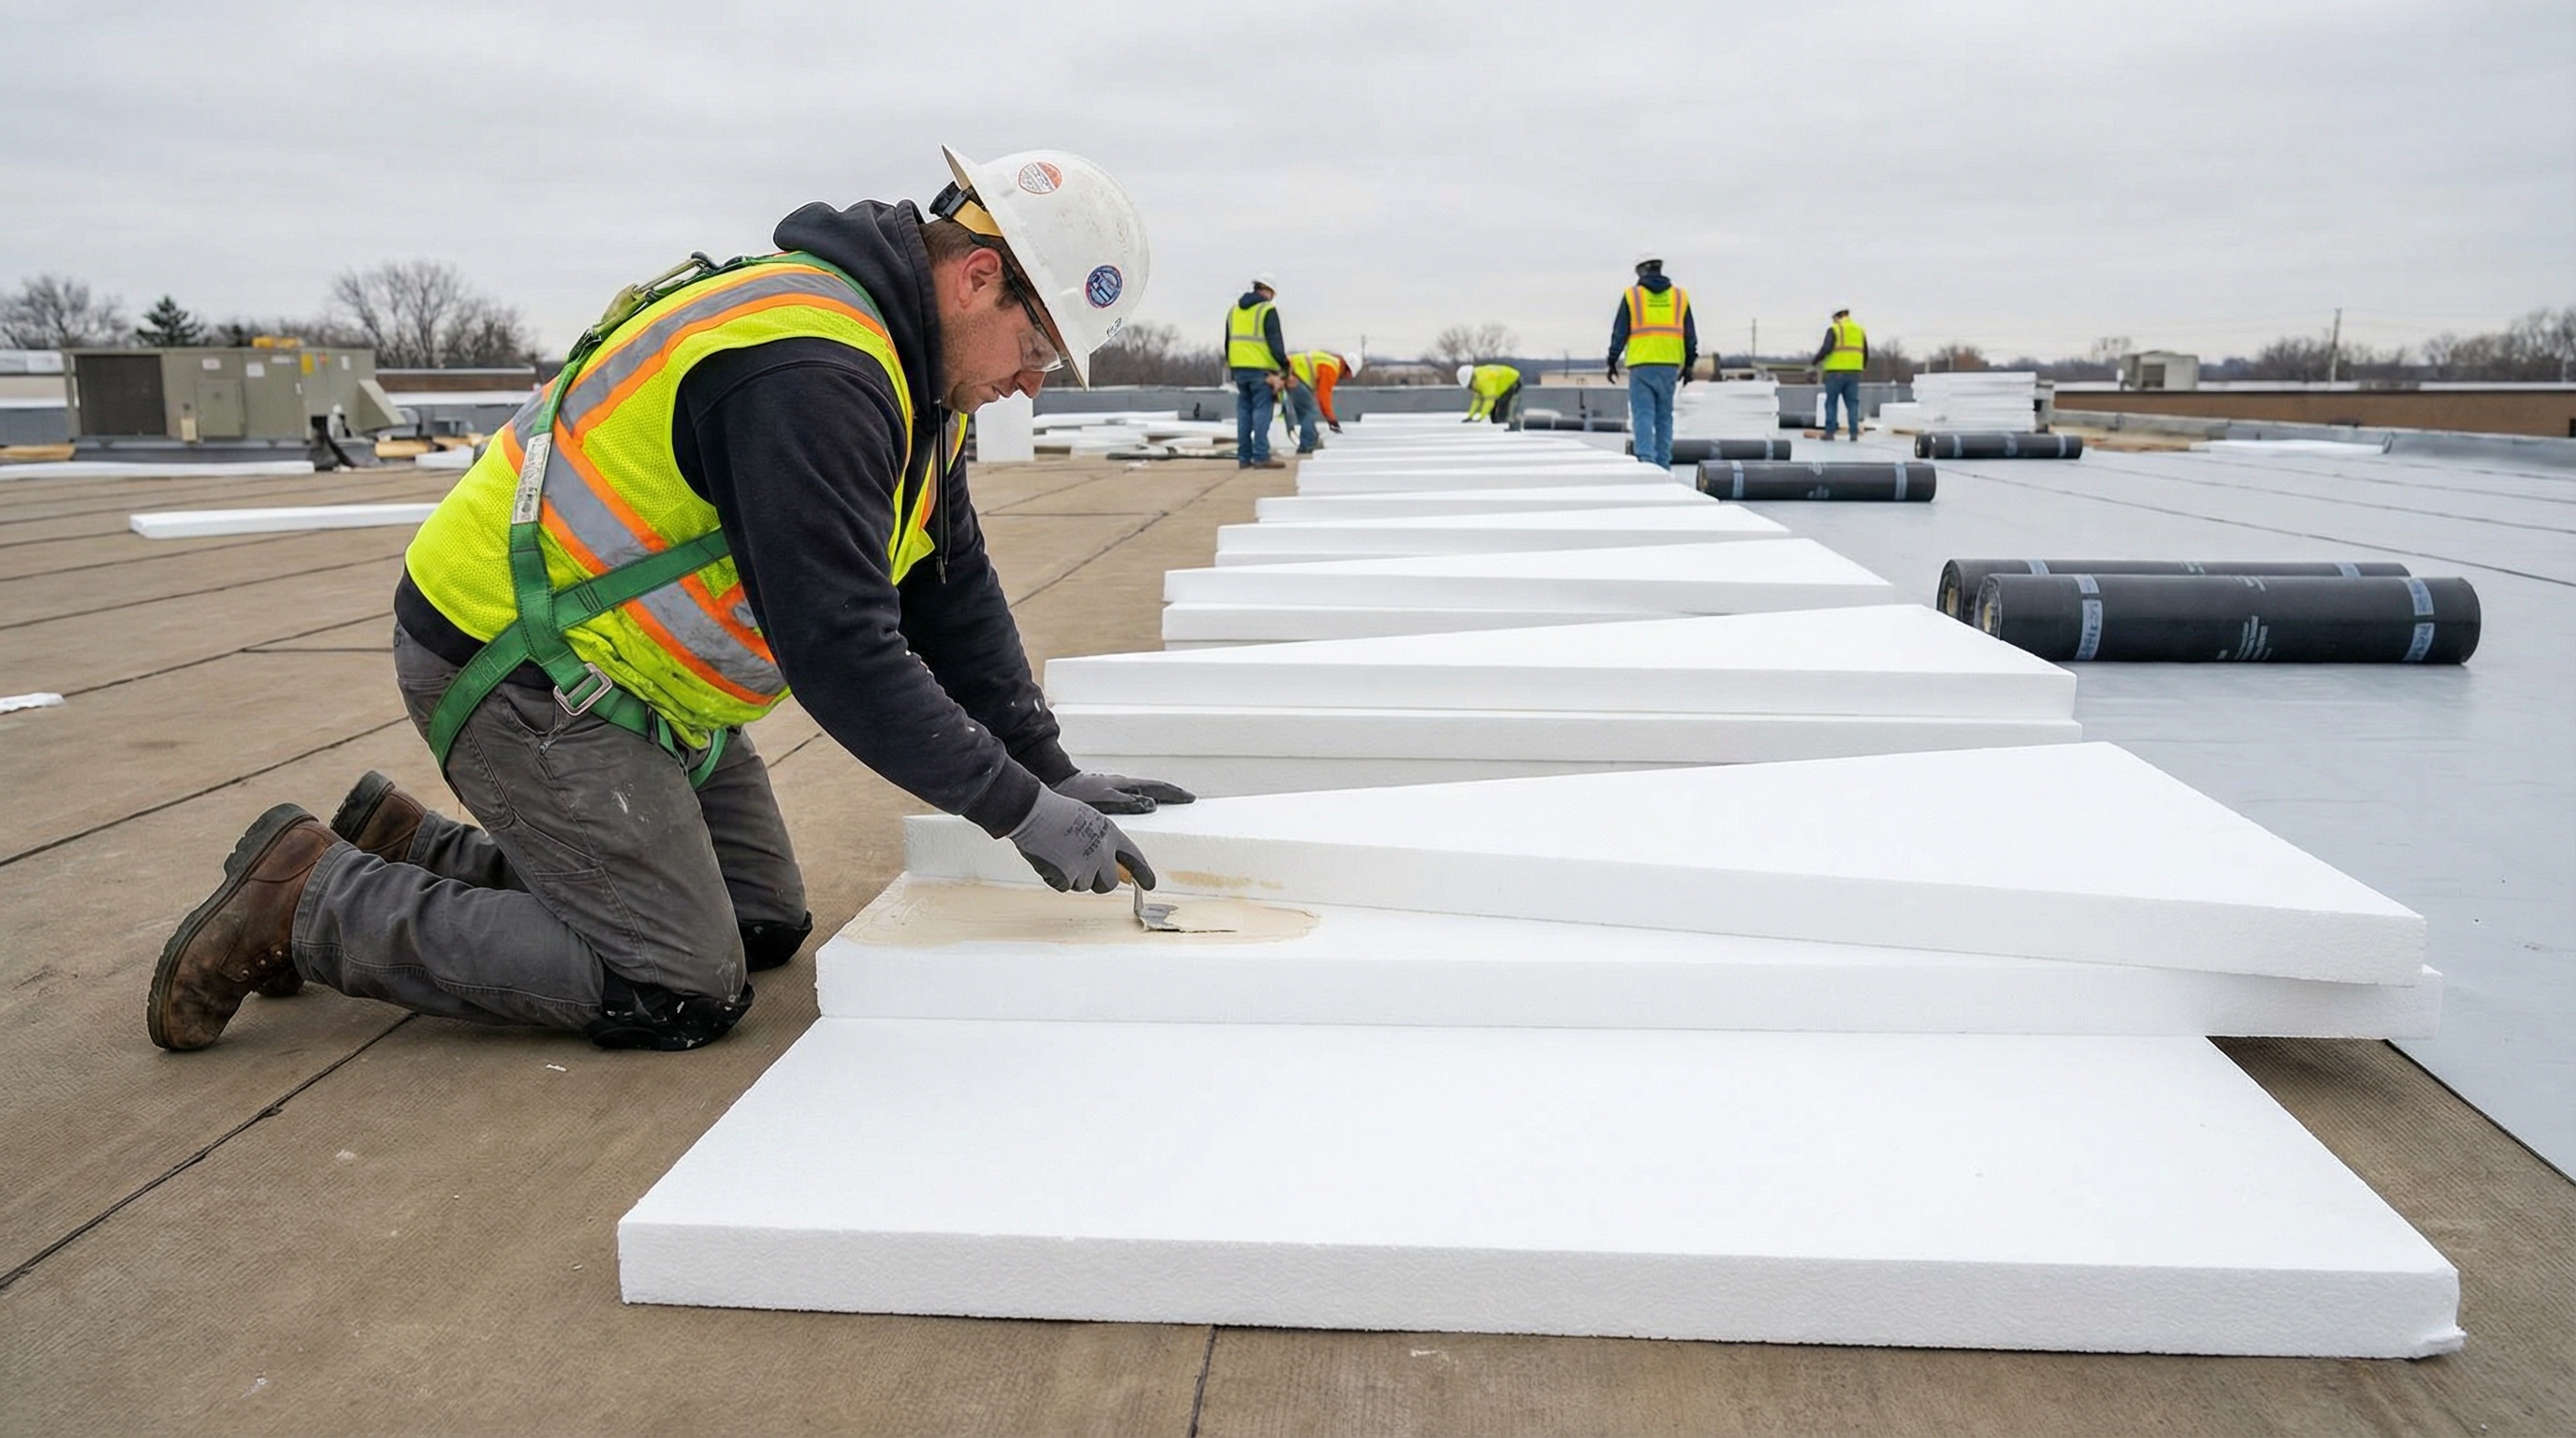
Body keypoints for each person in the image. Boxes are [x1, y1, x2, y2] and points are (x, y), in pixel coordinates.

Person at [147, 145, 1197, 1055]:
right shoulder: (812, 371)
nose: (1033, 384)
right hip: (519, 660)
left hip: (635, 684)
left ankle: (409, 845)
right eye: (1038, 349)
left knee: (760, 926)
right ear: (977, 279)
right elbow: (843, 652)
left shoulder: (916, 387)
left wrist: (1049, 765)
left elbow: (947, 586)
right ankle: (312, 902)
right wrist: (1015, 809)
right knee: (679, 986)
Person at [1605, 249, 1696, 468]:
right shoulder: (1679, 297)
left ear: (1641, 271)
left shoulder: (1632, 296)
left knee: (1643, 415)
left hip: (1641, 364)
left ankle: (1646, 462)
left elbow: (1620, 332)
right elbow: (1690, 334)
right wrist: (1690, 364)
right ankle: (1664, 464)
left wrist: (1612, 360)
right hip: (1669, 365)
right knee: (1664, 416)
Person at [1225, 274, 1291, 470]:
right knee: (1262, 410)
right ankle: (1261, 455)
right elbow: (1275, 341)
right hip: (1261, 370)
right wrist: (1284, 364)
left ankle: (1244, 457)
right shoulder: (1267, 310)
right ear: (1268, 291)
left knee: (1244, 412)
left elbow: (1228, 342)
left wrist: (1232, 368)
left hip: (1239, 369)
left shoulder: (1234, 310)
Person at [1281, 350, 1359, 452]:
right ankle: (1307, 444)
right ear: (1347, 369)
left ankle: (1310, 439)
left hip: (1290, 374)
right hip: (1295, 378)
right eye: (1349, 376)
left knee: (1304, 413)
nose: (1346, 378)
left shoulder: (1330, 361)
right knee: (1309, 412)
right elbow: (1324, 398)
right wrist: (1332, 421)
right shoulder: (1332, 369)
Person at [1814, 307, 1867, 440]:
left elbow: (1827, 348)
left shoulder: (1835, 329)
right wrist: (1861, 367)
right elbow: (1865, 352)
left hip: (1835, 372)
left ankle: (1830, 433)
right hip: (1854, 372)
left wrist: (1815, 361)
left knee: (1831, 402)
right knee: (1852, 403)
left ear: (1836, 316)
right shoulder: (1859, 330)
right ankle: (1854, 434)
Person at [1458, 362, 1522, 425]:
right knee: (1494, 414)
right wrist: (1470, 416)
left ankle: (1508, 426)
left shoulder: (1485, 380)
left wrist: (1480, 417)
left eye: (1470, 386)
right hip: (1501, 385)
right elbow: (1477, 399)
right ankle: (1499, 423)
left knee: (1502, 407)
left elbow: (1490, 401)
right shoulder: (1477, 379)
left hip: (1514, 381)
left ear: (1472, 380)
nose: (1471, 389)